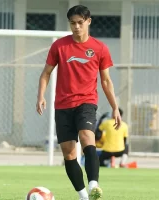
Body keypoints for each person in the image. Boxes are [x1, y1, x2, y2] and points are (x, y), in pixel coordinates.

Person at [36, 5, 121, 200]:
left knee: (87, 137)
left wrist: (115, 107)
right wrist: (40, 96)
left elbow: (106, 81)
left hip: (86, 102)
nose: (76, 27)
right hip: (63, 106)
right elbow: (45, 74)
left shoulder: (100, 48)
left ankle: (93, 184)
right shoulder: (59, 46)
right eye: (73, 23)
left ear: (88, 21)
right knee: (69, 153)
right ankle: (84, 196)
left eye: (80, 23)